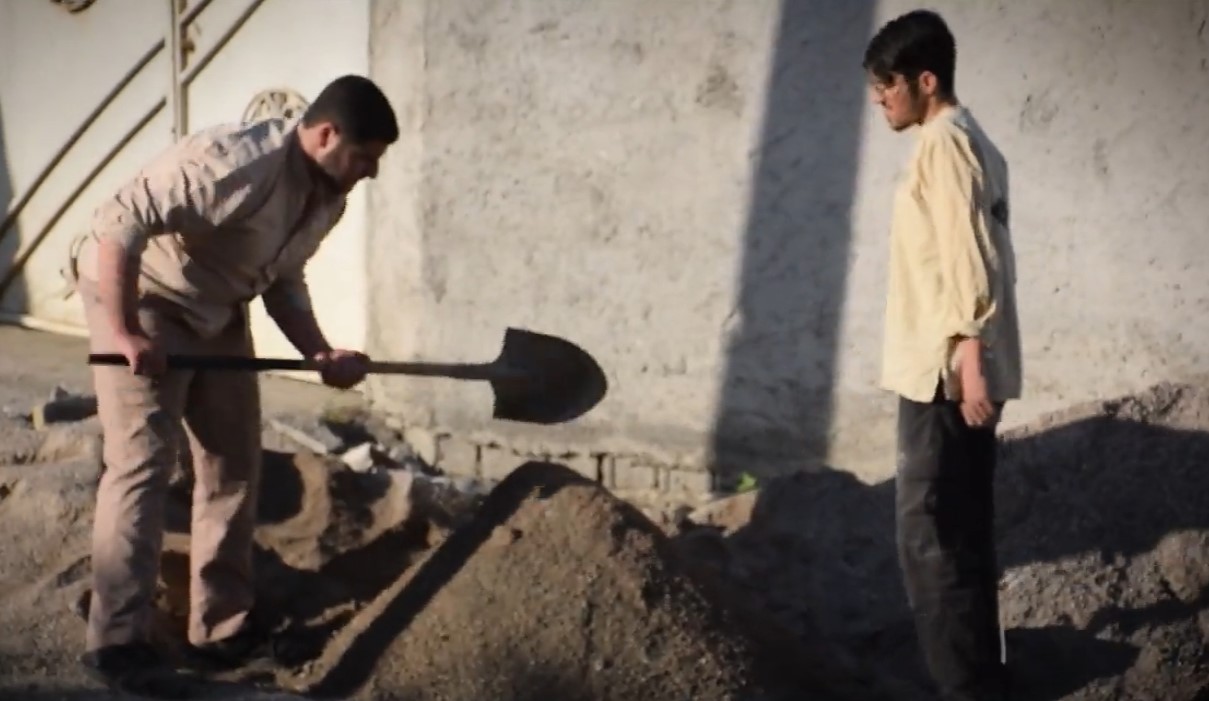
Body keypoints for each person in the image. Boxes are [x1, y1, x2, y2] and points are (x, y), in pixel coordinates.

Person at [64, 74, 399, 696]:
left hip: (216, 310)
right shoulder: (233, 166)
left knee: (233, 466)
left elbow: (284, 282)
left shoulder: (328, 196)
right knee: (141, 464)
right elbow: (120, 223)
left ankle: (218, 627)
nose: (371, 172)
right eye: (366, 157)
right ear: (327, 136)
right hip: (142, 297)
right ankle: (117, 642)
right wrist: (124, 332)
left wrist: (320, 352)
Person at [863, 10, 1023, 701]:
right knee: (960, 525)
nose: (878, 100)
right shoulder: (964, 139)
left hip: (941, 375)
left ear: (925, 81)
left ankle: (962, 687)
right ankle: (978, 677)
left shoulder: (944, 145)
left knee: (929, 531)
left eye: (887, 86)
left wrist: (967, 356)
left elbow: (970, 256)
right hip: (945, 366)